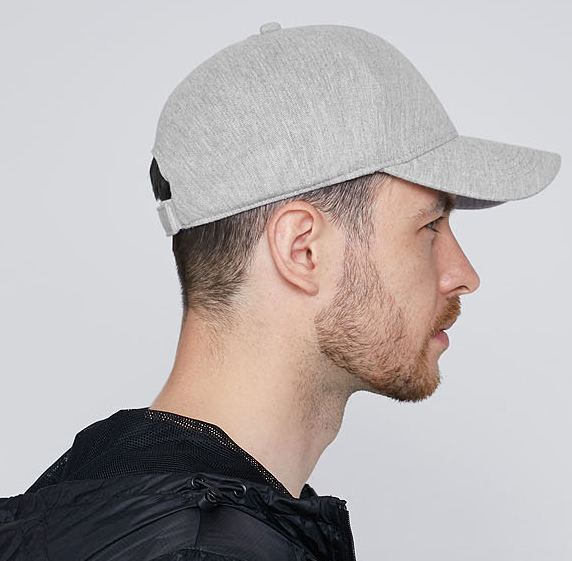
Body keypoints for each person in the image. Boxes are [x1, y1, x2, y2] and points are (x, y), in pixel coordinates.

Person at [0, 21, 560, 561]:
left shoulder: (93, 505)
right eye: (430, 226)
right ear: (302, 250)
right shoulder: (202, 549)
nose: (463, 274)